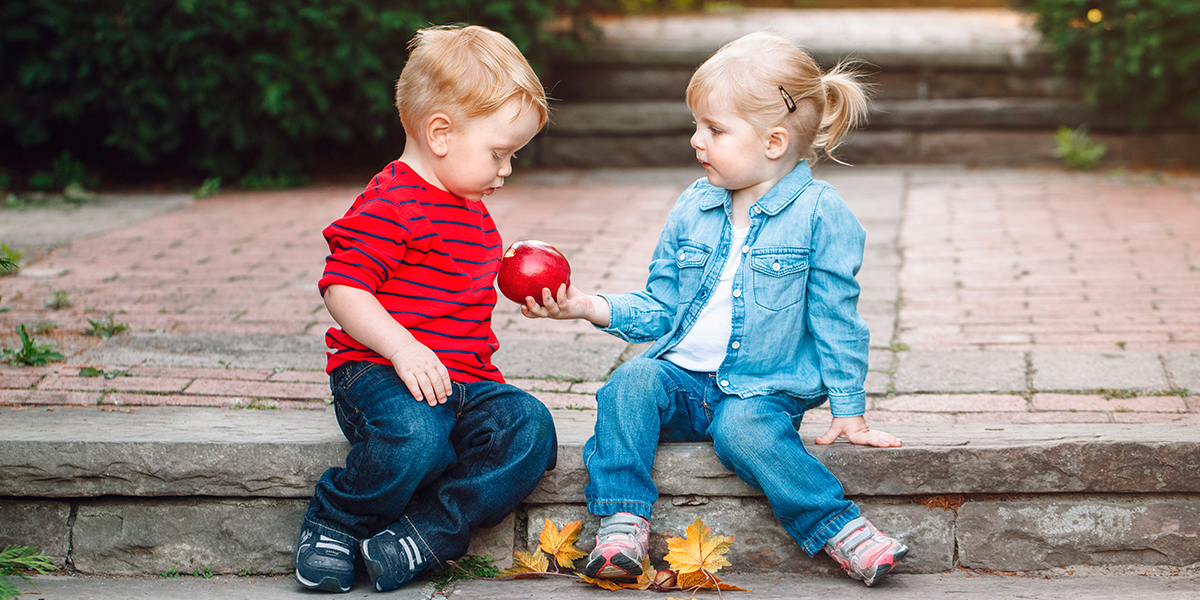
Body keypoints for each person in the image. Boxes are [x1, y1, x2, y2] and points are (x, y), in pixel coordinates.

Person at [521, 32, 908, 587]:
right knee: (629, 383)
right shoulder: (693, 205)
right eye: (698, 124)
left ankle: (841, 528)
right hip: (683, 379)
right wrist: (588, 306)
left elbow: (836, 318)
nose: (696, 140)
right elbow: (662, 307)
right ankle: (622, 523)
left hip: (761, 387)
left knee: (745, 431)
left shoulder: (822, 213)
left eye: (715, 129)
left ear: (774, 142)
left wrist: (849, 409)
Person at [295, 25, 557, 593]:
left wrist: (529, 287)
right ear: (441, 133)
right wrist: (403, 347)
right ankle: (337, 522)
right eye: (499, 154)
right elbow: (342, 288)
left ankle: (425, 534)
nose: (506, 171)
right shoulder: (391, 202)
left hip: (462, 380)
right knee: (416, 435)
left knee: (530, 427)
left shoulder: (473, 211)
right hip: (381, 372)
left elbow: (458, 304)